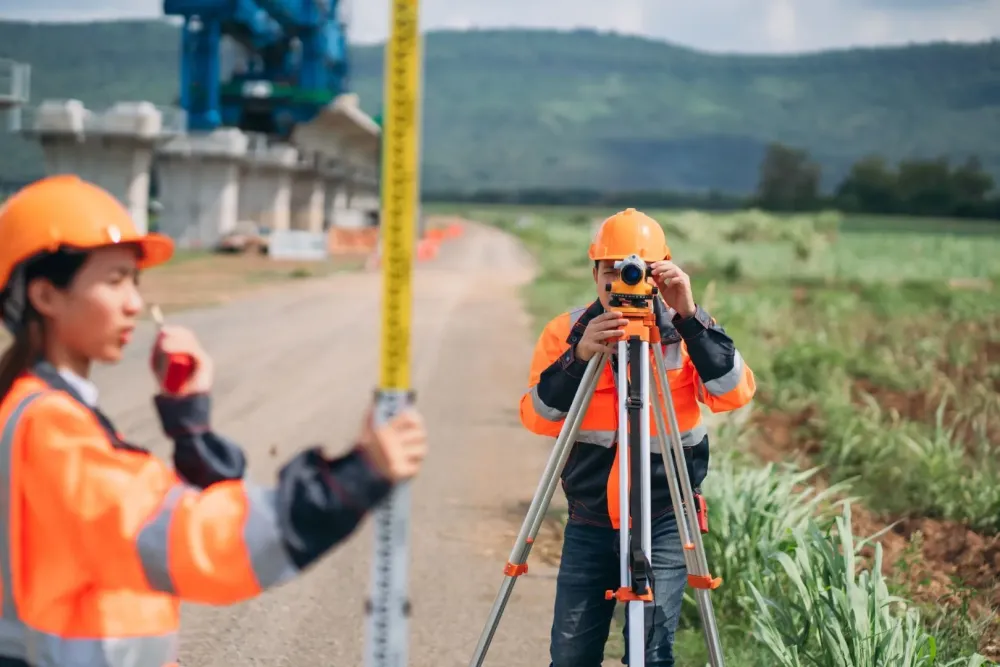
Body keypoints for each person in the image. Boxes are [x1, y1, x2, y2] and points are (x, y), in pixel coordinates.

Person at [0, 174, 428, 667]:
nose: (134, 304)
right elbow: (189, 540)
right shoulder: (50, 426)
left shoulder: (46, 409)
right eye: (114, 280)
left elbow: (188, 506)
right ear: (45, 296)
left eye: (134, 283)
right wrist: (351, 480)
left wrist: (190, 423)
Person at [519, 208, 756, 667]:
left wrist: (688, 314)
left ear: (662, 272)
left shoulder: (683, 331)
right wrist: (580, 354)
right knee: (570, 654)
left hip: (667, 514)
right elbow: (538, 417)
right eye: (611, 270)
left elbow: (733, 393)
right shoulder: (567, 331)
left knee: (649, 650)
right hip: (589, 516)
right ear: (594, 272)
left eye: (637, 271)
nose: (621, 282)